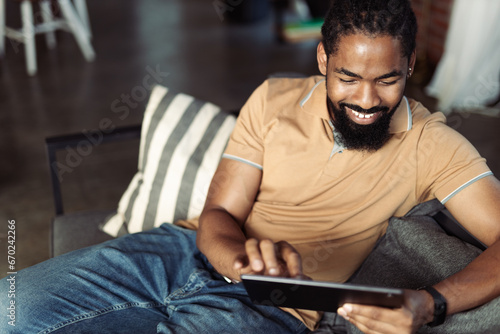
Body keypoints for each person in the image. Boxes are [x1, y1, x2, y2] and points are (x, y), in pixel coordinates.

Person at [2, 0, 499, 333]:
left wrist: (429, 303)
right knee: (11, 307)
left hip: (278, 309)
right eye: (348, 77)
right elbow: (219, 212)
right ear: (324, 58)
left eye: (387, 79)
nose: (367, 100)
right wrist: (242, 262)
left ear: (410, 66)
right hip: (177, 252)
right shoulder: (272, 98)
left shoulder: (435, 144)